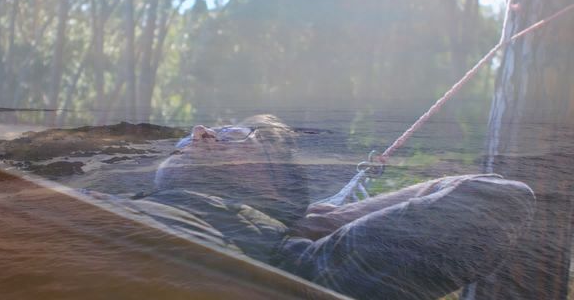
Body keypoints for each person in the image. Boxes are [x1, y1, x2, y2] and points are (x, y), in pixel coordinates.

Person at [130, 115, 535, 299]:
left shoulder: (290, 267)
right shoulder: (133, 206)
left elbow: (494, 197)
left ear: (270, 186)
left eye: (233, 136)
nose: (200, 132)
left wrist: (327, 220)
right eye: (196, 133)